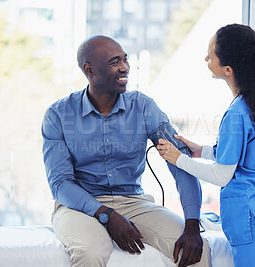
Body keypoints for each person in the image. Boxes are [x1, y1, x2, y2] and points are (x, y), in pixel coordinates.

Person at [41, 35, 211, 267]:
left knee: (196, 254)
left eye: (125, 59)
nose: (125, 68)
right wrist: (105, 215)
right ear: (89, 69)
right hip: (78, 207)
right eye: (114, 62)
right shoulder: (58, 115)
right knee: (91, 252)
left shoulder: (144, 107)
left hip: (133, 202)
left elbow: (179, 163)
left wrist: (192, 224)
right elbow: (60, 183)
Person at [157, 24, 255, 267]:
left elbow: (222, 175)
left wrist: (177, 158)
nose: (205, 58)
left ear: (228, 69)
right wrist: (201, 151)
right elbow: (250, 157)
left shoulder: (236, 113)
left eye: (210, 55)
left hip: (254, 225)